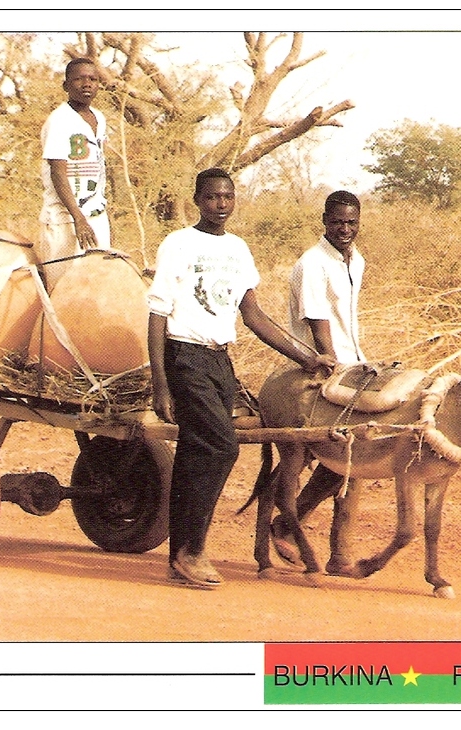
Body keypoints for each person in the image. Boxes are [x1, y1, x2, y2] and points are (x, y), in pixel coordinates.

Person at [147, 168, 335, 589]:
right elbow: (157, 314)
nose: (221, 204)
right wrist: (161, 384)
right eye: (213, 197)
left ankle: (181, 554)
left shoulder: (238, 249)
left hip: (219, 361)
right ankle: (192, 551)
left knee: (199, 450)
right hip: (184, 356)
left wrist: (308, 357)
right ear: (197, 199)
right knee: (220, 445)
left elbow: (253, 316)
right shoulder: (178, 244)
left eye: (228, 197)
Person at [273, 190, 367, 576]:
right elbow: (317, 321)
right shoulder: (312, 263)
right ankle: (294, 525)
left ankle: (338, 551)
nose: (344, 229)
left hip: (354, 363)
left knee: (361, 450)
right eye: (337, 222)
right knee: (349, 449)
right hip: (318, 368)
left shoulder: (356, 260)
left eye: (351, 222)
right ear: (324, 221)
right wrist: (334, 367)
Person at [36, 57, 112, 285]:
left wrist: (103, 214)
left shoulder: (99, 118)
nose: (86, 84)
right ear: (66, 86)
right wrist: (78, 218)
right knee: (63, 290)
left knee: (98, 287)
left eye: (92, 79)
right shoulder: (59, 121)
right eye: (79, 79)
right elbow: (58, 173)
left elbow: (99, 169)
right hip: (65, 219)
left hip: (95, 217)